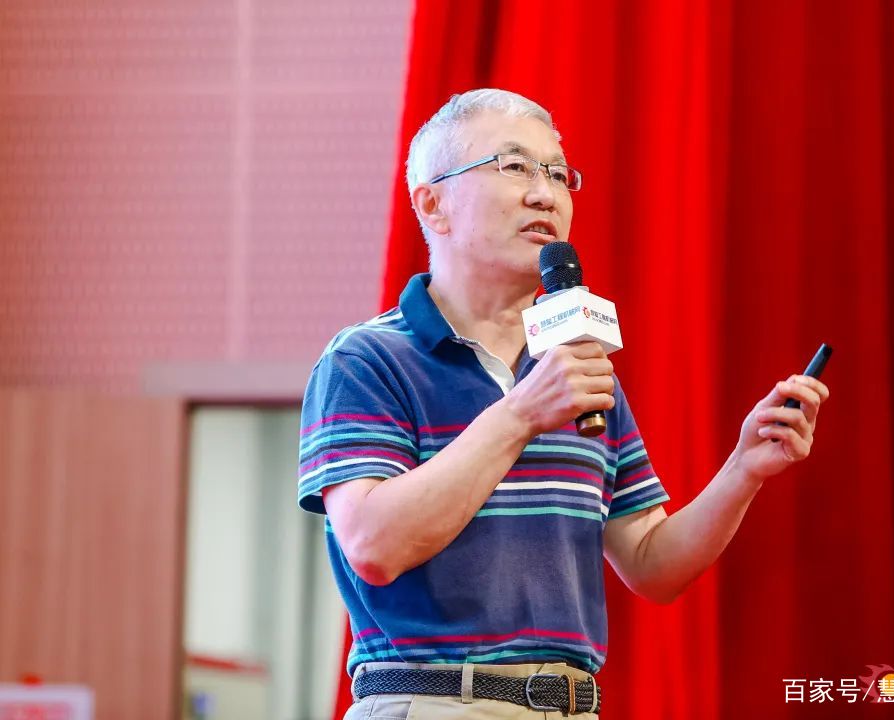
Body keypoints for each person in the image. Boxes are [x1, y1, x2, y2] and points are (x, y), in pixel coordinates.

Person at [298, 88, 829, 719]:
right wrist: (522, 414)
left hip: (571, 705)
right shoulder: (367, 359)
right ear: (433, 204)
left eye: (557, 174)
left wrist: (744, 468)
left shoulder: (574, 365)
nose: (544, 194)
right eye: (514, 166)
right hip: (435, 700)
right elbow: (374, 545)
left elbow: (651, 565)